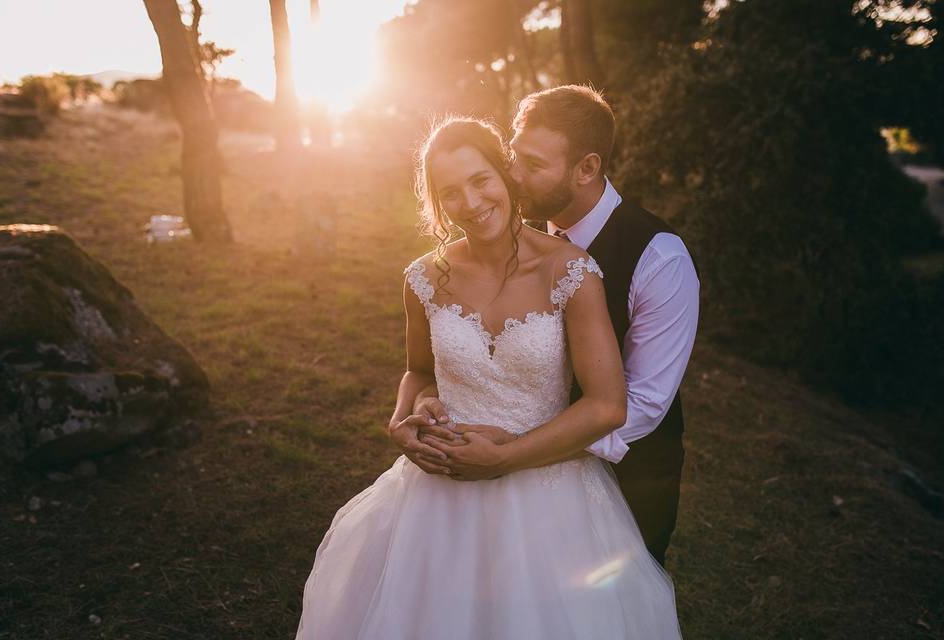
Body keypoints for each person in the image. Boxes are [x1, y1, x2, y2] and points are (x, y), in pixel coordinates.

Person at [294, 117, 681, 639]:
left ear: (506, 175)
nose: (471, 203)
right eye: (450, 193)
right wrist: (403, 417)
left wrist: (506, 457)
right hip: (437, 493)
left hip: (549, 496)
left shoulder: (572, 272)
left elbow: (608, 405)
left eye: (481, 180)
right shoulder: (423, 279)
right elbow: (419, 371)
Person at [404, 85, 700, 567]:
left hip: (626, 479)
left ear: (586, 169)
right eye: (514, 158)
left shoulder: (660, 259)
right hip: (482, 466)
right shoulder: (518, 234)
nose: (513, 177)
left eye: (533, 166)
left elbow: (640, 405)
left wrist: (515, 452)